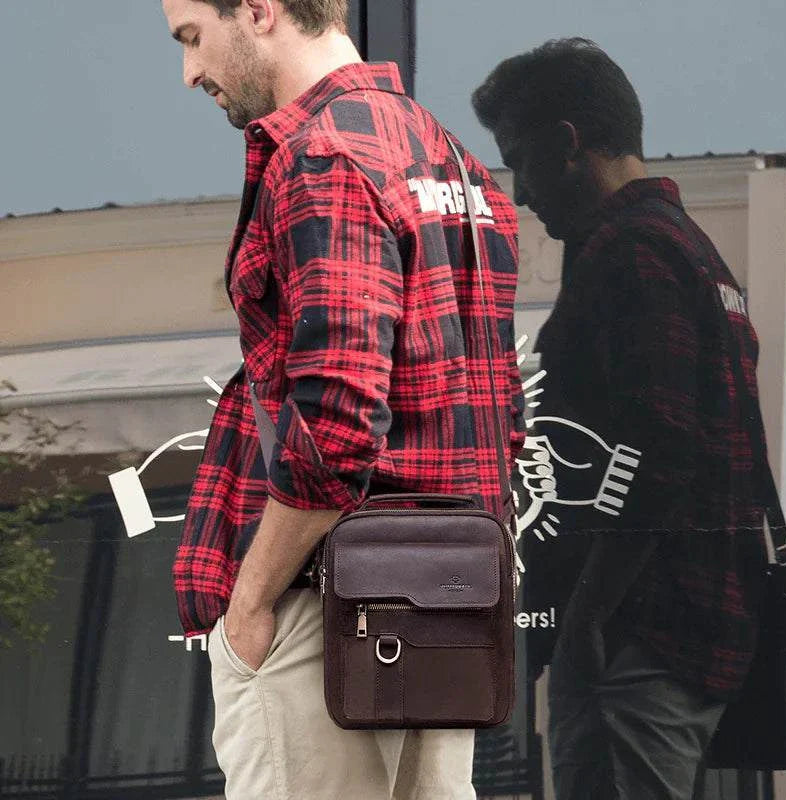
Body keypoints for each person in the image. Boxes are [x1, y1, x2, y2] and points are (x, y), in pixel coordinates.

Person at [160, 1, 525, 798]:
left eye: (191, 38)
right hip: (440, 613)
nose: (189, 73)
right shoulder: (454, 162)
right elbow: (501, 410)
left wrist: (250, 604)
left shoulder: (323, 154)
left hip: (328, 615)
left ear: (258, 10)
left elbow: (337, 419)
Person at [473, 38, 767, 800]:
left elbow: (655, 451)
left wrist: (586, 622)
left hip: (638, 636)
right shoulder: (694, 253)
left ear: (567, 144)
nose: (520, 193)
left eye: (519, 160)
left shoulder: (630, 253)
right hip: (685, 629)